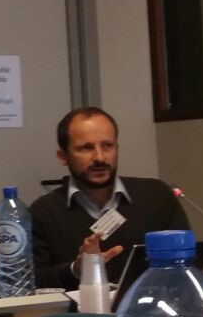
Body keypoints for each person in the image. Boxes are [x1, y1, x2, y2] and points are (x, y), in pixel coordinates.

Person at [29, 106, 188, 289]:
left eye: (107, 146)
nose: (100, 157)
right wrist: (76, 269)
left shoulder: (156, 195)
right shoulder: (43, 212)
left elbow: (188, 258)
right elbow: (32, 282)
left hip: (151, 304)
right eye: (86, 148)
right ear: (63, 157)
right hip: (80, 308)